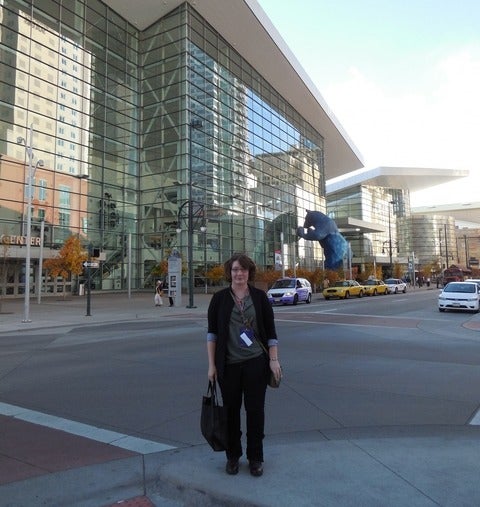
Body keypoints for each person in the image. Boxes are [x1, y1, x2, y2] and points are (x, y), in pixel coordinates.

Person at [207, 253, 281, 477]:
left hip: (255, 364)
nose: (239, 273)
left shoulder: (259, 297)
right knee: (230, 413)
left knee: (255, 412)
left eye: (243, 270)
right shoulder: (219, 299)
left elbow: (271, 332)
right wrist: (211, 365)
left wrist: (273, 359)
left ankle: (255, 457)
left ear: (249, 272)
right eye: (235, 269)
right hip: (228, 366)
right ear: (229, 272)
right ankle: (232, 456)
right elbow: (212, 334)